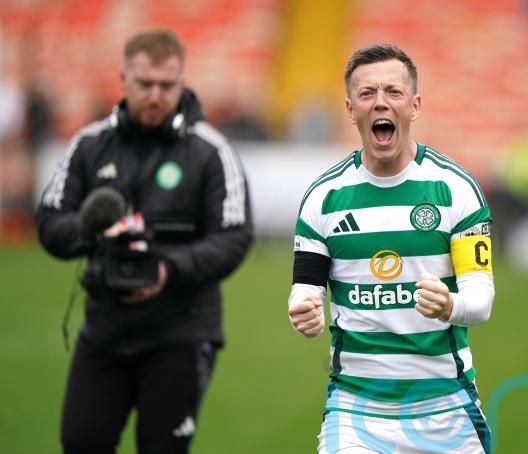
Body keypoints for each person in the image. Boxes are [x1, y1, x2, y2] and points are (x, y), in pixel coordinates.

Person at [36, 28, 253, 453]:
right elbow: (49, 221)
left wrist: (166, 269)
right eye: (145, 84)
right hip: (103, 331)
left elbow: (234, 236)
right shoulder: (89, 144)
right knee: (81, 443)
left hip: (181, 334)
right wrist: (93, 233)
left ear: (182, 82)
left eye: (166, 86)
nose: (155, 96)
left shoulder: (212, 151)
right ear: (124, 80)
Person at [288, 44, 494, 453]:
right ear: (351, 110)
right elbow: (305, 290)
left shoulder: (456, 190)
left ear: (414, 105)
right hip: (354, 410)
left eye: (393, 92)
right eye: (367, 93)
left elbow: (481, 300)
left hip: (445, 409)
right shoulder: (323, 198)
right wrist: (303, 309)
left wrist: (449, 305)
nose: (380, 102)